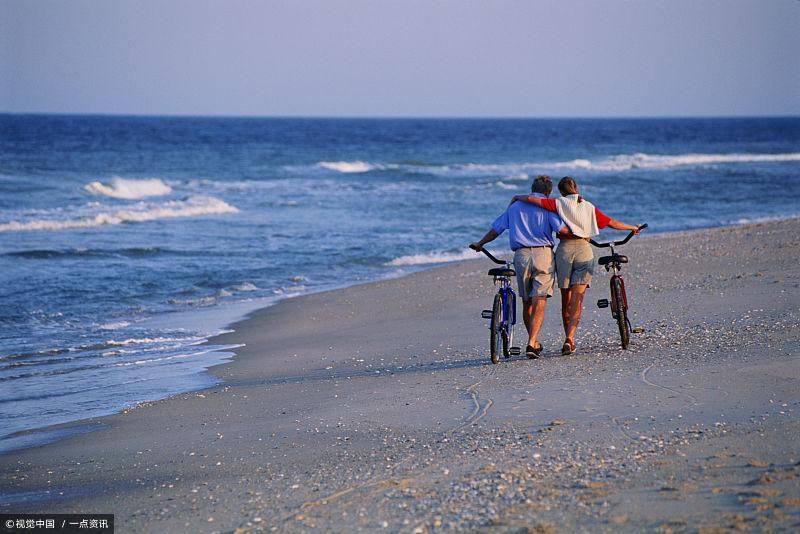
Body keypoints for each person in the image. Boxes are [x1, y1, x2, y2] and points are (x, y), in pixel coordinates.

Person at [510, 176, 643, 356]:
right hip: (584, 249)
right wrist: (632, 227)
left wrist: (518, 197)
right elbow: (611, 222)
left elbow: (535, 200)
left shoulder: (557, 204)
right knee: (577, 297)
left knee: (566, 298)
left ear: (561, 191)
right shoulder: (588, 206)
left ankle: (553, 338)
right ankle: (570, 339)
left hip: (564, 251)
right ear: (576, 188)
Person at [470, 175, 571, 358]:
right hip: (543, 254)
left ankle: (533, 340)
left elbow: (496, 230)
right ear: (548, 192)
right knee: (540, 297)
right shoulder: (547, 207)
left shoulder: (515, 207)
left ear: (532, 188)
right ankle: (532, 342)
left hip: (521, 255)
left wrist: (480, 244)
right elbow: (561, 230)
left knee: (526, 300)